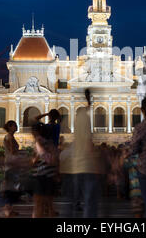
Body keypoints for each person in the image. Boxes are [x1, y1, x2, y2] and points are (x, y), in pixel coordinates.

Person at [60, 89, 102, 218]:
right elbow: (88, 142)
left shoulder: (77, 122)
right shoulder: (84, 120)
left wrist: (88, 100)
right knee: (90, 200)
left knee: (71, 201)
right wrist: (96, 164)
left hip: (74, 167)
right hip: (86, 165)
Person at [31, 122, 59, 218]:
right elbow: (55, 159)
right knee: (50, 205)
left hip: (40, 176)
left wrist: (33, 160)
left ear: (36, 131)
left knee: (38, 205)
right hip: (50, 176)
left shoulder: (38, 142)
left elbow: (35, 159)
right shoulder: (50, 143)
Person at [2, 120, 21, 217]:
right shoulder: (9, 137)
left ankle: (10, 209)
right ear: (10, 127)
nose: (16, 127)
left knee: (12, 188)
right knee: (10, 188)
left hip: (11, 164)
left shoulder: (10, 136)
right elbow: (12, 151)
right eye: (14, 125)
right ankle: (7, 210)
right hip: (11, 164)